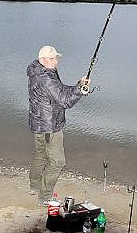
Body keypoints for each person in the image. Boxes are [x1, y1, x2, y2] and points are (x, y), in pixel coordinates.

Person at [27, 45, 89, 205]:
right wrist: (80, 91)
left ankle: (34, 186)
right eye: (52, 58)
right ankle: (44, 196)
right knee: (58, 163)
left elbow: (58, 90)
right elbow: (65, 101)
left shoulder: (38, 72)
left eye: (56, 57)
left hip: (38, 124)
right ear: (43, 60)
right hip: (50, 127)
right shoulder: (46, 77)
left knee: (40, 156)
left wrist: (78, 85)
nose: (56, 61)